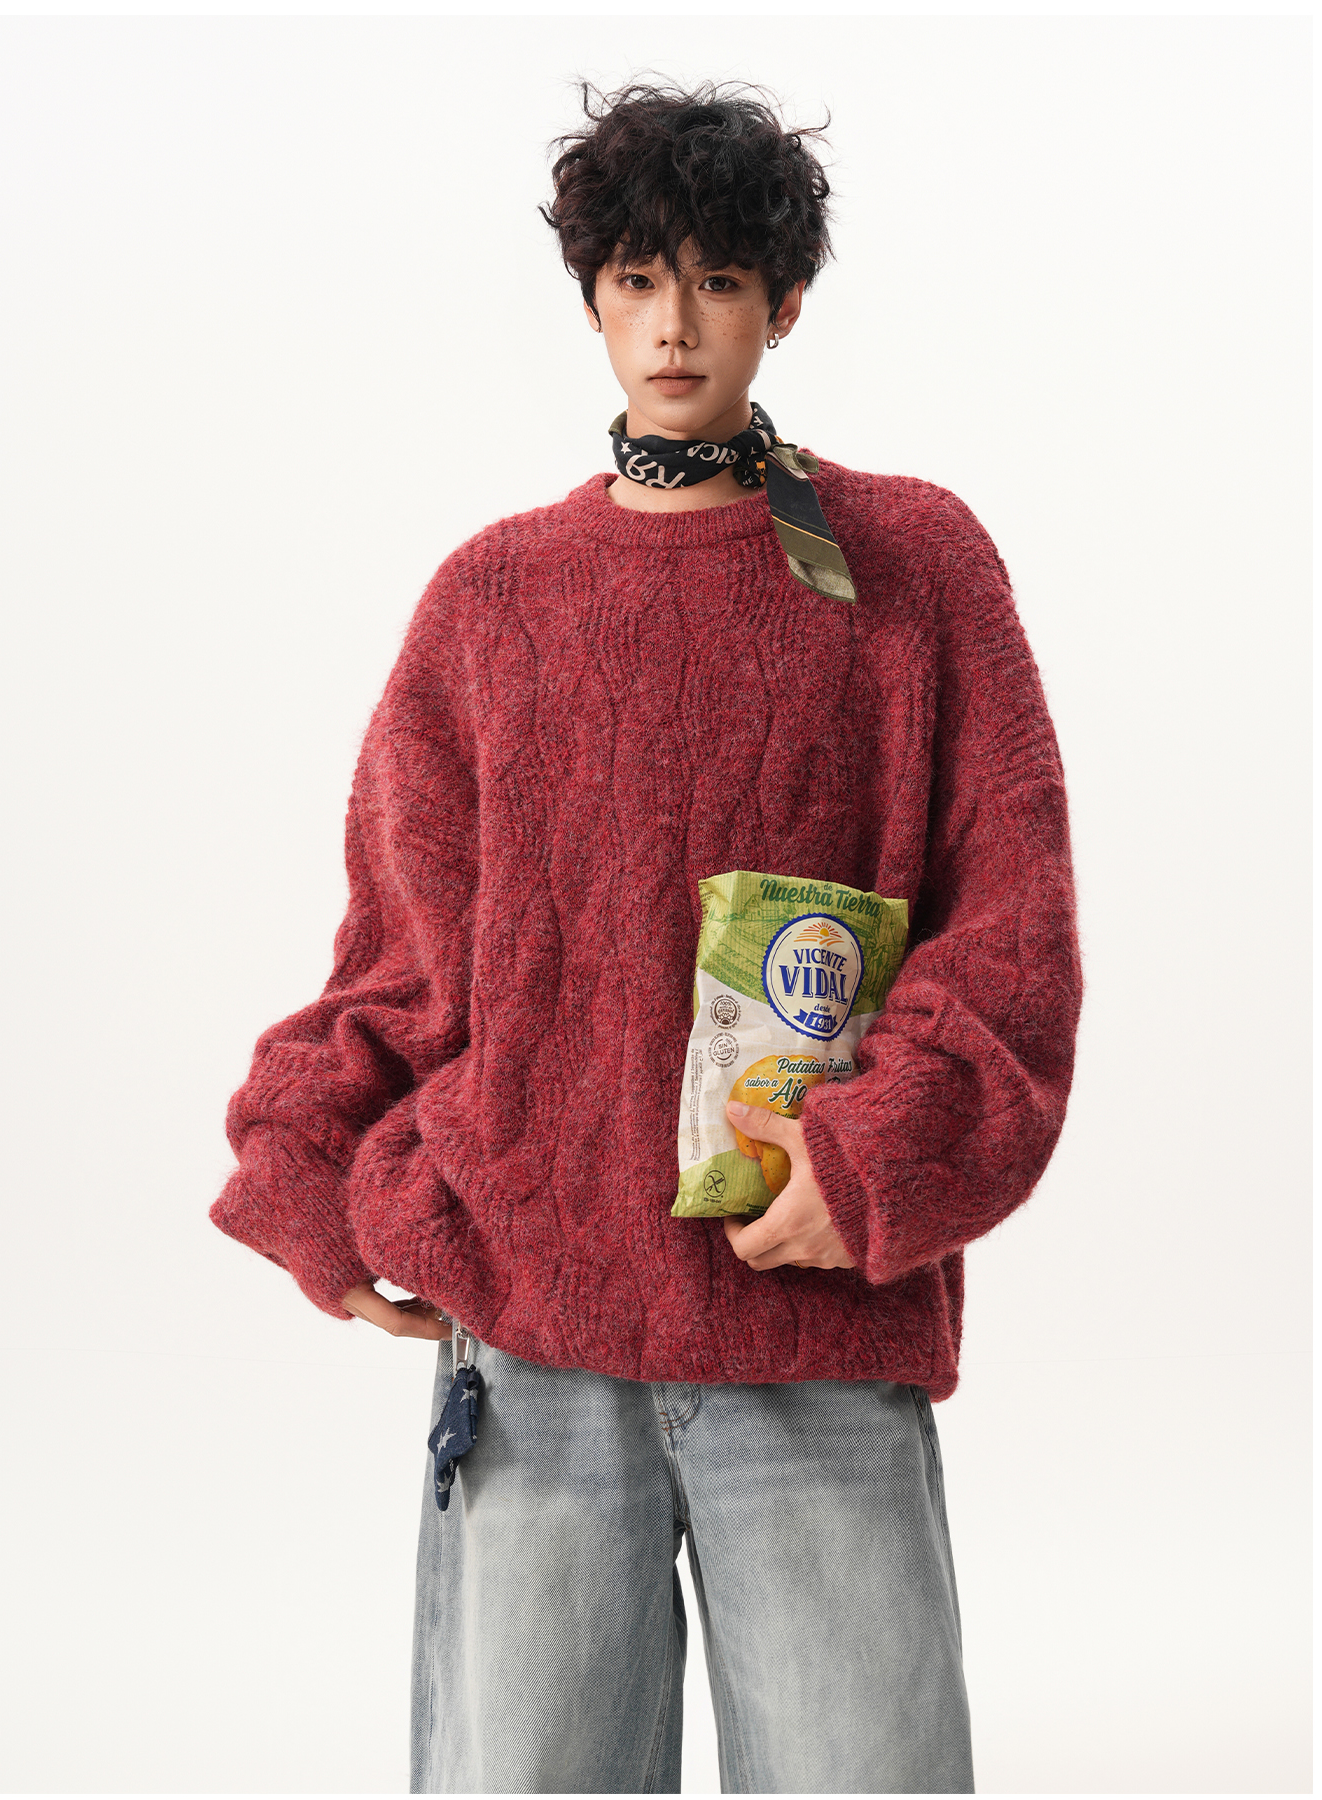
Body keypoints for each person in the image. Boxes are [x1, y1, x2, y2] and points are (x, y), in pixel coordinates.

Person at [211, 79, 1082, 1796]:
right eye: (633, 280)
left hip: (809, 1315)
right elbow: (405, 949)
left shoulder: (910, 564)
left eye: (715, 280)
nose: (673, 325)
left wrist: (874, 1156)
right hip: (531, 1327)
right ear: (591, 299)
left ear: (785, 302)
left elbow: (1011, 933)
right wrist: (308, 1165)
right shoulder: (496, 596)